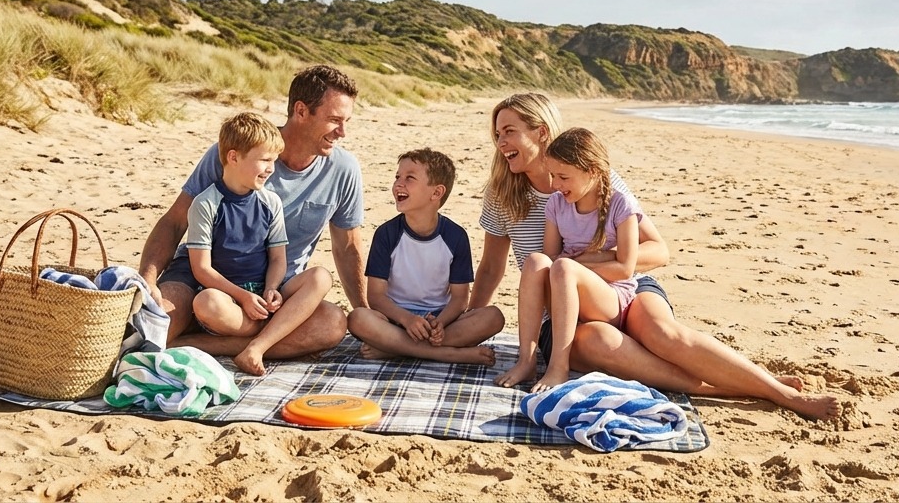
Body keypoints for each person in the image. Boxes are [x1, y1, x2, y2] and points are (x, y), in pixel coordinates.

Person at [471, 93, 839, 420]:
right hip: (566, 309)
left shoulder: (597, 178)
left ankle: (780, 391)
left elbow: (658, 250)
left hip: (625, 285)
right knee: (599, 341)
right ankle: (720, 388)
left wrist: (599, 258)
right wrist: (471, 322)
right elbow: (490, 267)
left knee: (663, 334)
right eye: (497, 134)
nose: (500, 142)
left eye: (509, 132)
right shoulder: (503, 194)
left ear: (541, 132)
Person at [139, 65, 366, 363]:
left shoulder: (344, 170)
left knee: (332, 324)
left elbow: (348, 248)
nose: (343, 132)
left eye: (346, 121)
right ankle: (234, 336)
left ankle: (205, 344)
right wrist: (148, 282)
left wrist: (363, 314)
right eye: (334, 120)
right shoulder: (239, 153)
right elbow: (175, 221)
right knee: (152, 330)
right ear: (301, 111)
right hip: (199, 276)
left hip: (272, 291)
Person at [495, 127, 643, 391]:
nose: (554, 185)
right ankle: (526, 360)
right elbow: (550, 257)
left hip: (610, 298)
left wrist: (579, 264)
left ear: (593, 171)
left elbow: (624, 268)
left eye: (563, 177)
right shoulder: (556, 204)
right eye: (553, 176)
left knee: (563, 266)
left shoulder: (621, 204)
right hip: (567, 287)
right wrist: (567, 266)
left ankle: (558, 368)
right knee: (536, 261)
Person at [180, 112, 322, 375]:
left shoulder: (270, 202)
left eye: (274, 160)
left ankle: (256, 343)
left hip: (264, 297)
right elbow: (202, 270)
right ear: (233, 157)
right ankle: (271, 333)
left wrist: (270, 289)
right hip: (231, 302)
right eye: (265, 160)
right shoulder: (205, 204)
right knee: (205, 302)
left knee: (321, 277)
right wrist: (244, 298)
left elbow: (278, 258)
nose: (271, 168)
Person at [348, 148, 504, 365]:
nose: (398, 184)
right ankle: (446, 354)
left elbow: (459, 298)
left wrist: (439, 324)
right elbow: (375, 297)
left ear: (436, 193)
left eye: (409, 178)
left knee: (493, 317)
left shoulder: (456, 236)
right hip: (396, 320)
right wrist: (407, 319)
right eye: (397, 177)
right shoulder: (386, 234)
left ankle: (396, 349)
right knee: (358, 318)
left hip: (440, 322)